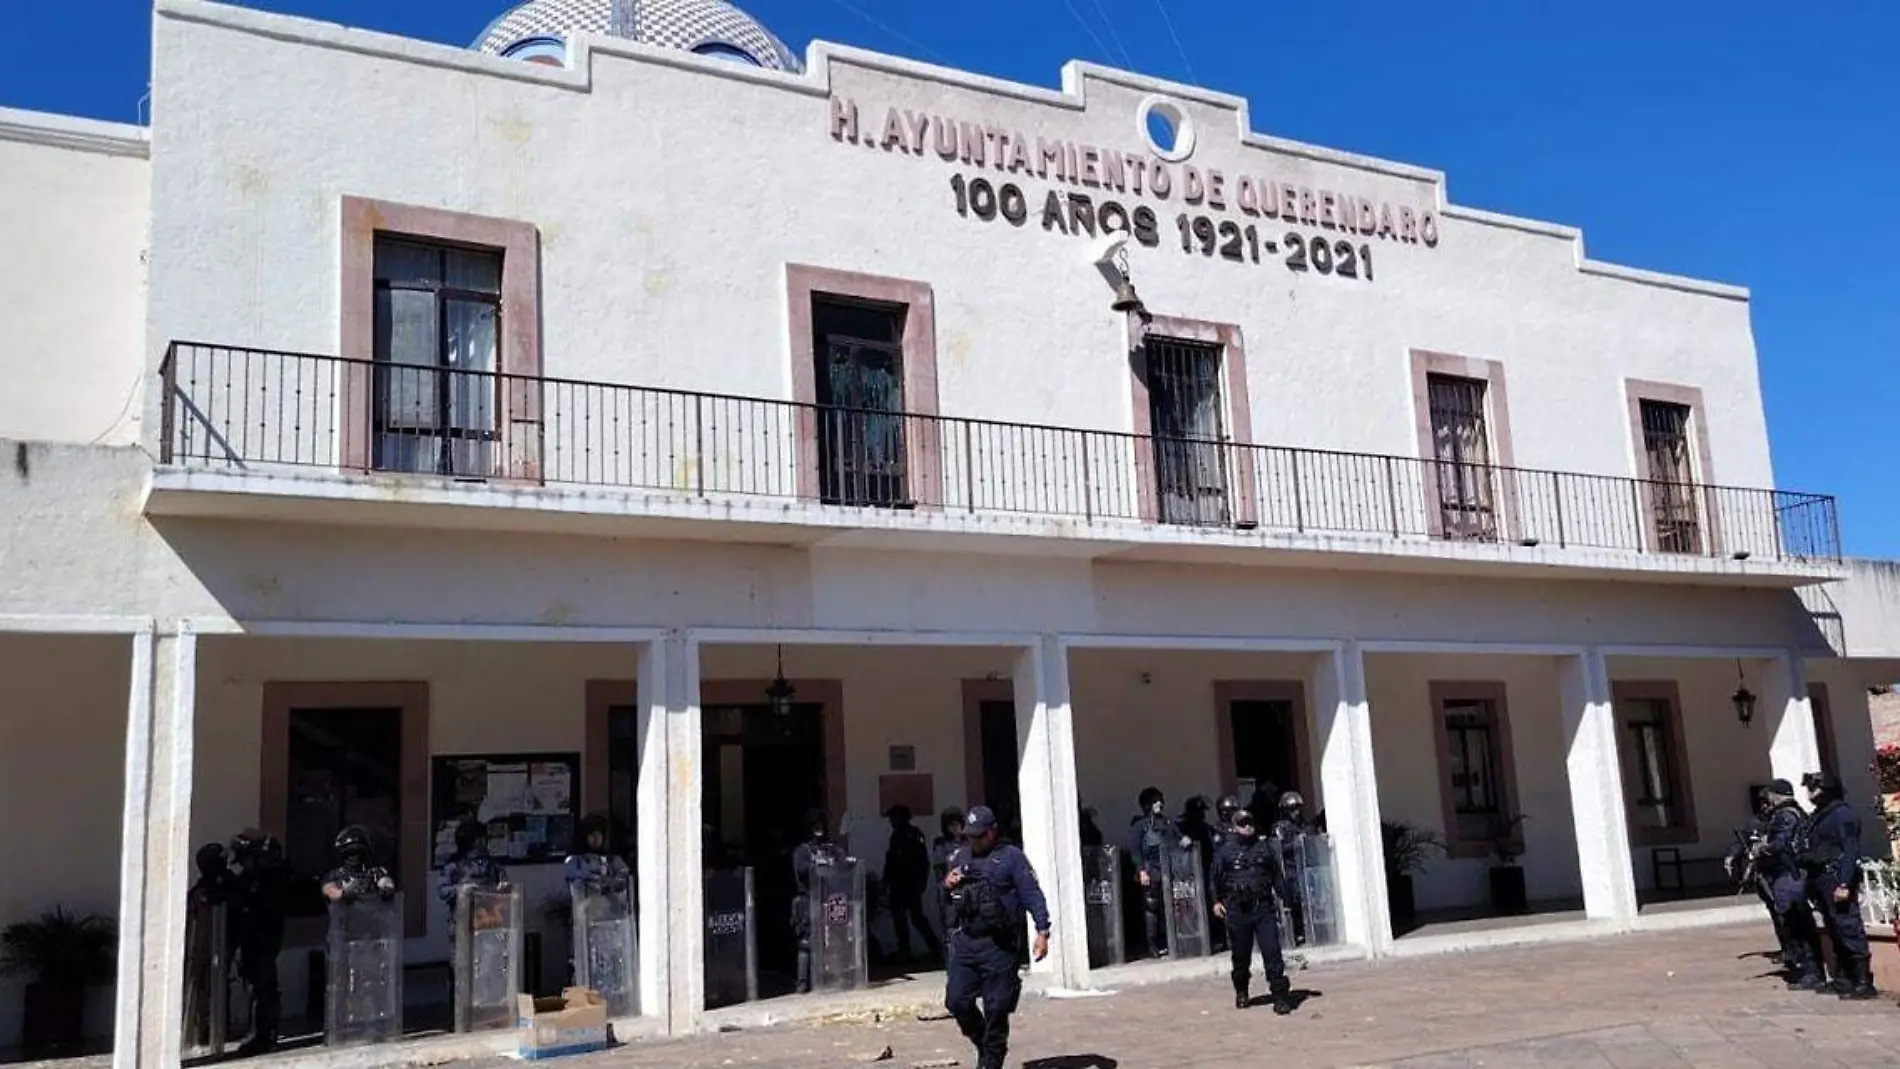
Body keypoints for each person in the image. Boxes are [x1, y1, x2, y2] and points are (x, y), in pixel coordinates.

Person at [942, 806, 1050, 1069]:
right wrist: (947, 884)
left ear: (992, 832)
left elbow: (1031, 893)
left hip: (999, 944)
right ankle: (985, 1043)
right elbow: (945, 898)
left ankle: (991, 1060)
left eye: (979, 836)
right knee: (957, 1000)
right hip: (967, 940)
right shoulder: (960, 857)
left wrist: (1042, 930)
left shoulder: (1011, 857)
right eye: (970, 836)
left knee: (997, 1007)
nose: (974, 841)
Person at [1801, 771, 1876, 999]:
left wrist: (1844, 882)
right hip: (1821, 879)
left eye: (1814, 789)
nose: (1810, 794)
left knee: (1848, 927)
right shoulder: (1821, 815)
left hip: (1836, 878)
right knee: (1834, 928)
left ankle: (1863, 982)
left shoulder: (1842, 815)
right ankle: (1843, 978)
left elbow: (1850, 851)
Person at [1211, 808, 1293, 1014]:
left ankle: (1280, 996)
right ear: (1235, 826)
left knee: (1272, 952)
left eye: (1250, 822)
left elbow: (1276, 876)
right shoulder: (1225, 850)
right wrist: (1216, 901)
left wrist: (1287, 899)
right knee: (1240, 956)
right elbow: (1215, 879)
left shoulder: (1264, 848)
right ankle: (1241, 991)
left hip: (1262, 907)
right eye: (1242, 823)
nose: (1247, 826)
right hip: (1237, 909)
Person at [1746, 780, 1823, 989]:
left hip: (1789, 875)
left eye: (1768, 796)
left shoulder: (1785, 815)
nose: (1766, 801)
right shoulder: (1793, 813)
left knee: (1796, 922)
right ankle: (1807, 968)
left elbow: (1782, 844)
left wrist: (1762, 849)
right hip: (1789, 875)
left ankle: (1812, 971)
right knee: (1794, 922)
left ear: (1775, 795)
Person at [228, 830, 290, 1055]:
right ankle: (260, 1033)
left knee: (263, 987)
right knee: (255, 985)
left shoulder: (269, 880)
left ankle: (264, 1035)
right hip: (251, 940)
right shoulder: (249, 879)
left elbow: (263, 910)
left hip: (262, 940)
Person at [1724, 787, 1786, 967]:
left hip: (1780, 873)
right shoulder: (1753, 823)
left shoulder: (1782, 819)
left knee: (1784, 913)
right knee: (1776, 914)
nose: (1765, 807)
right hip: (1763, 874)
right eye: (1762, 803)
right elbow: (1741, 841)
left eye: (1768, 802)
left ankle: (1795, 951)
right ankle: (1785, 948)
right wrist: (1732, 856)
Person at [790, 808, 838, 994]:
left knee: (827, 941)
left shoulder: (829, 848)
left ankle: (824, 979)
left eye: (821, 825)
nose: (819, 830)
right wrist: (818, 864)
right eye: (815, 826)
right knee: (806, 942)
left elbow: (840, 863)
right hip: (807, 899)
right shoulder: (802, 851)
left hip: (826, 899)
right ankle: (802, 984)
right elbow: (801, 869)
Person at [1127, 786, 1180, 958]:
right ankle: (1152, 946)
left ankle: (1172, 942)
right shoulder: (1140, 825)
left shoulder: (1167, 822)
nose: (1160, 803)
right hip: (1152, 870)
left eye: (1160, 799)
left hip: (1169, 869)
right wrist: (1141, 870)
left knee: (1172, 906)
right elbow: (1135, 850)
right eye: (1156, 800)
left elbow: (1177, 839)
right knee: (1152, 907)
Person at [883, 806, 940, 962]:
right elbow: (891, 862)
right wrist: (886, 882)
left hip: (908, 883)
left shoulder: (913, 835)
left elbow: (923, 862)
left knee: (916, 918)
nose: (892, 822)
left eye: (894, 819)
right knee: (900, 919)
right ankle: (906, 951)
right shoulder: (896, 836)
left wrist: (921, 882)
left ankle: (935, 950)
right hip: (899, 883)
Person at [323, 825, 397, 903]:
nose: (351, 857)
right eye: (347, 853)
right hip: (346, 913)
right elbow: (328, 890)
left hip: (372, 912)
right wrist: (343, 893)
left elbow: (384, 881)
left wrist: (387, 887)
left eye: (355, 852)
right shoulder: (336, 875)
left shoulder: (373, 873)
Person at [564, 813, 632, 897]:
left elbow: (624, 876)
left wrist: (612, 882)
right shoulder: (576, 860)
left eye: (599, 834)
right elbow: (575, 876)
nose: (596, 838)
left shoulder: (613, 859)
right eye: (591, 834)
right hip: (586, 905)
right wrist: (595, 879)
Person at [1273, 792, 1309, 945]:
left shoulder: (1302, 825)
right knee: (1293, 901)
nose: (1296, 812)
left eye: (1298, 808)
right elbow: (1279, 848)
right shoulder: (1280, 827)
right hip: (1290, 870)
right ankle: (1296, 932)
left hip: (1304, 868)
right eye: (1293, 809)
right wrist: (1296, 843)